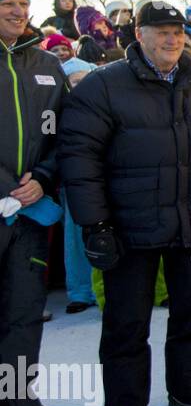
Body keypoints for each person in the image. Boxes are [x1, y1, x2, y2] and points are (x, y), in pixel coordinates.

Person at [58, 1, 191, 406]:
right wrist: (97, 224)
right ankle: (129, 405)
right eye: (161, 30)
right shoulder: (104, 86)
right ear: (139, 34)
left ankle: (185, 388)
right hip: (129, 227)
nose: (173, 38)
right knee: (127, 320)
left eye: (178, 31)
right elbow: (79, 157)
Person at [0, 0, 80, 406]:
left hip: (29, 210)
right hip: (7, 197)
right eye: (7, 4)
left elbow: (69, 135)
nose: (17, 11)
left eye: (22, 3)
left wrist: (44, 178)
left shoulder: (45, 64)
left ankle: (16, 405)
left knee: (24, 311)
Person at [60, 58, 98, 315]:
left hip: (101, 180)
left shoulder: (106, 106)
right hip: (72, 182)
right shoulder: (54, 110)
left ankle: (102, 291)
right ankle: (80, 292)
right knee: (74, 239)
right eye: (75, 81)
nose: (81, 85)